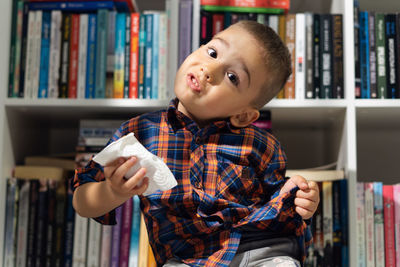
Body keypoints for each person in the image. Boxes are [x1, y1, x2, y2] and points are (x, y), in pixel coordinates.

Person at [72, 20, 320, 267]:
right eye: (212, 52)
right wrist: (113, 191)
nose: (209, 69)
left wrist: (303, 199)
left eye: (232, 77)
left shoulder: (261, 144)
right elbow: (82, 200)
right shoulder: (140, 133)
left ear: (243, 115)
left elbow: (279, 197)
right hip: (188, 259)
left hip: (261, 250)